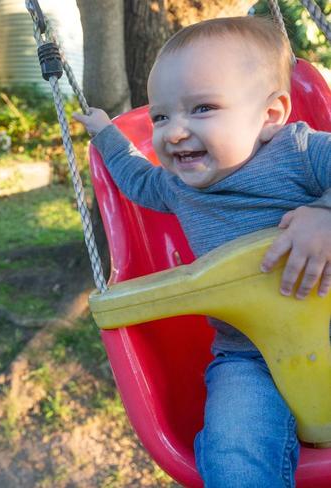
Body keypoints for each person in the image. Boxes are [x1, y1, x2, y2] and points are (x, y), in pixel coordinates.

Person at [74, 16, 331, 488]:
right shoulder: (176, 187)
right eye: (161, 116)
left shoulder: (300, 150)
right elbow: (134, 179)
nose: (174, 133)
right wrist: (107, 135)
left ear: (271, 115)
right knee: (233, 456)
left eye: (203, 108)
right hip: (248, 355)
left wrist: (325, 212)